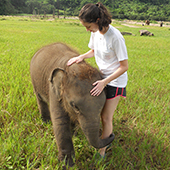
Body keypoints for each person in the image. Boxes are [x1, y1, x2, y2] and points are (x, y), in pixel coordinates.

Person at [67, 2, 128, 158]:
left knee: (106, 117)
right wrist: (81, 56)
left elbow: (124, 66)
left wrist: (104, 82)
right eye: (85, 27)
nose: (87, 30)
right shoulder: (95, 32)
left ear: (99, 20)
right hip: (101, 77)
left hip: (115, 81)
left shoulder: (116, 37)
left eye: (88, 26)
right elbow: (94, 50)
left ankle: (102, 151)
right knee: (96, 110)